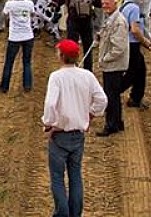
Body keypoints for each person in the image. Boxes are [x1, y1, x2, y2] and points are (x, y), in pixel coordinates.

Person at [41, 39, 108, 217]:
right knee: (75, 175)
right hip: (78, 135)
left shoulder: (56, 77)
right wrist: (91, 114)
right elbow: (102, 99)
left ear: (62, 56)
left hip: (60, 135)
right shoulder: (87, 76)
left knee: (57, 178)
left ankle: (62, 213)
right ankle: (75, 213)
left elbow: (50, 104)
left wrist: (49, 123)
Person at [57, 0, 102, 70]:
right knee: (88, 48)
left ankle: (72, 69)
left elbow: (60, 1)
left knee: (71, 48)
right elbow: (98, 4)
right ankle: (88, 71)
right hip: (87, 19)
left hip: (73, 19)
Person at [96, 0, 129, 137]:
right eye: (103, 3)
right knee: (113, 94)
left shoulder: (119, 22)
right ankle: (117, 121)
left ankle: (111, 125)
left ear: (115, 4)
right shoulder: (111, 19)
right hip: (111, 64)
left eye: (107, 3)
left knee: (111, 95)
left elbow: (119, 48)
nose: (104, 6)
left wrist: (105, 58)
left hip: (114, 65)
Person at [0, 0, 35, 93]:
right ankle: (27, 85)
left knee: (9, 62)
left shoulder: (10, 4)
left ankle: (4, 86)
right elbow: (32, 15)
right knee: (27, 62)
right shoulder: (29, 3)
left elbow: (3, 15)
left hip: (14, 37)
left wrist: (9, 1)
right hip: (28, 35)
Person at [121, 0, 151, 110]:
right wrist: (145, 42)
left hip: (126, 43)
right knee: (132, 73)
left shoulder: (124, 5)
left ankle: (136, 98)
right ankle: (111, 93)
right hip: (132, 44)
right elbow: (135, 30)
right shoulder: (134, 8)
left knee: (140, 71)